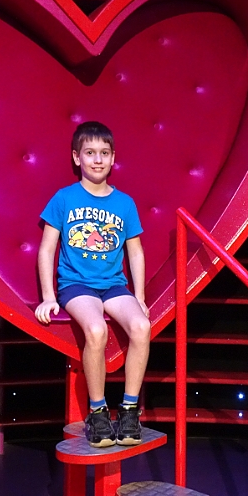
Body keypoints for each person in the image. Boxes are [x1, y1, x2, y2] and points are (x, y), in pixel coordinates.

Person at [35, 121, 151, 448]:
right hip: (76, 286)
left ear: (113, 158)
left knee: (142, 327)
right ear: (77, 158)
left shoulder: (124, 203)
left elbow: (135, 251)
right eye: (90, 153)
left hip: (113, 285)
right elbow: (46, 249)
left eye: (104, 153)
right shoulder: (64, 198)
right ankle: (98, 412)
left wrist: (140, 296)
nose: (97, 160)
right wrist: (48, 296)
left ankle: (129, 411)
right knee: (97, 330)